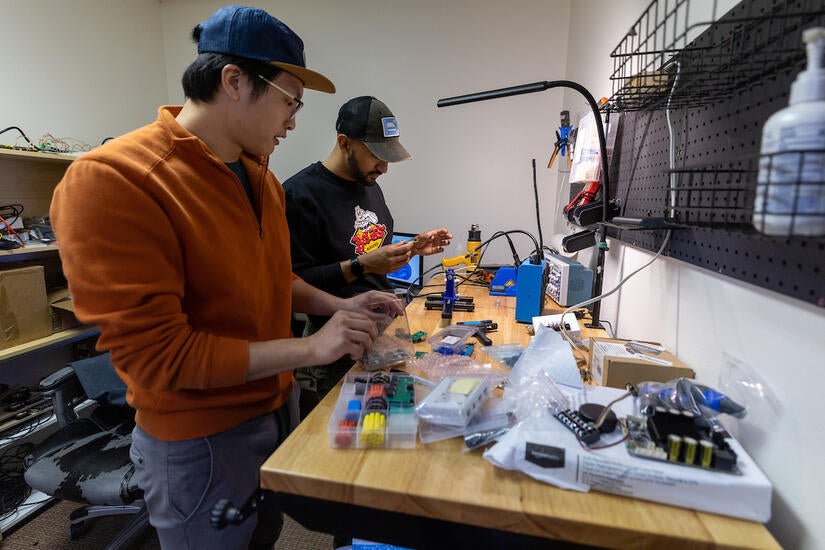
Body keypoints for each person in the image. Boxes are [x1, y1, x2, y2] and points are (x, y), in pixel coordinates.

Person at [49, 6, 401, 550]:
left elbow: (271, 280)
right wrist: (309, 351)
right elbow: (160, 358)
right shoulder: (115, 180)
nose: (292, 120)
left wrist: (340, 307)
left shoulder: (261, 177)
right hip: (200, 441)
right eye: (289, 100)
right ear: (234, 81)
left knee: (263, 536)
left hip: (273, 409)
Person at [283, 96, 452, 414]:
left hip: (382, 337)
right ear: (344, 143)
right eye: (376, 155)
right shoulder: (299, 196)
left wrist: (412, 249)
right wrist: (360, 266)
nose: (384, 167)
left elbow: (367, 254)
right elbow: (291, 287)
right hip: (334, 349)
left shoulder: (369, 184)